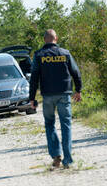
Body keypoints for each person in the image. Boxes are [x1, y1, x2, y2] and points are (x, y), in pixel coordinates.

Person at [29, 29, 82, 169]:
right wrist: (78, 90)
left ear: (44, 39)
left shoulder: (39, 55)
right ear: (56, 38)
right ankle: (68, 160)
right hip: (64, 94)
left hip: (47, 96)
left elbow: (34, 78)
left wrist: (32, 98)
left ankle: (56, 155)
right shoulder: (65, 53)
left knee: (50, 124)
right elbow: (76, 72)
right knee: (66, 125)